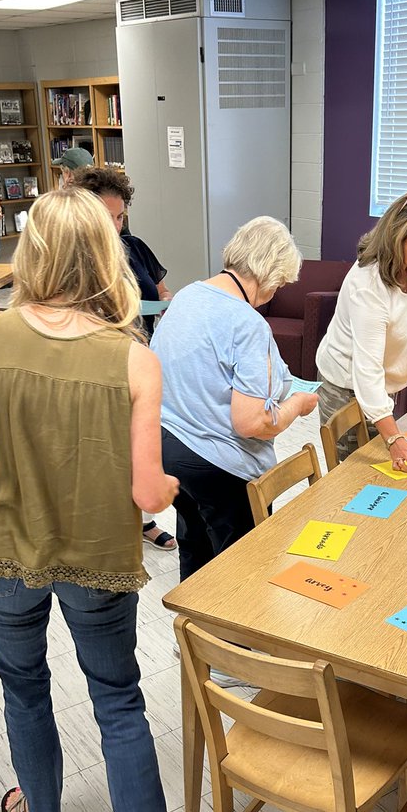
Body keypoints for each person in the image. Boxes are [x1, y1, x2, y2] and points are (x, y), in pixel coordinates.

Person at [0, 187, 184, 812]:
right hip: (95, 560)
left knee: (24, 688)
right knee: (118, 705)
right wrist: (171, 482)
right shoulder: (135, 360)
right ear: (108, 256)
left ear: (32, 253)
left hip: (2, 551)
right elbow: (149, 493)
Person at [151, 216, 319, 582]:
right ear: (269, 274)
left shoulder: (187, 296)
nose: (275, 294)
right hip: (220, 465)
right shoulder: (247, 323)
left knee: (195, 543)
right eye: (279, 284)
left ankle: (192, 635)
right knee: (243, 566)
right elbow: (252, 423)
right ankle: (233, 640)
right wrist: (296, 406)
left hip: (169, 449)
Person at [316, 190, 407, 471]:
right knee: (353, 476)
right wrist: (394, 437)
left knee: (386, 468)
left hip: (382, 385)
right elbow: (367, 371)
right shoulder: (368, 287)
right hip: (347, 386)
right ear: (397, 236)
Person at [77, 165, 176, 552]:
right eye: (108, 218)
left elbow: (164, 290)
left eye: (120, 216)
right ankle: (113, 520)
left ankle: (143, 519)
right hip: (100, 365)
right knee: (107, 446)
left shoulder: (134, 248)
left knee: (140, 440)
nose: (116, 226)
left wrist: (164, 304)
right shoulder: (78, 263)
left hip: (142, 354)